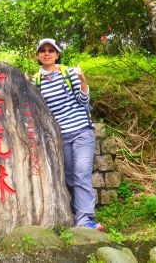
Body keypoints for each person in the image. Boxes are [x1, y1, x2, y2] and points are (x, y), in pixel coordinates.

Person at [32, 38, 104, 231]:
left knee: (81, 173)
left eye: (51, 50)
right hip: (60, 136)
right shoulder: (36, 80)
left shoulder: (69, 72)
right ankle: (76, 214)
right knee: (70, 177)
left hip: (81, 131)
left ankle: (86, 218)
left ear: (57, 54)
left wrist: (82, 80)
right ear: (38, 56)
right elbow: (37, 108)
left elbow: (83, 100)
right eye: (43, 50)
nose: (47, 53)